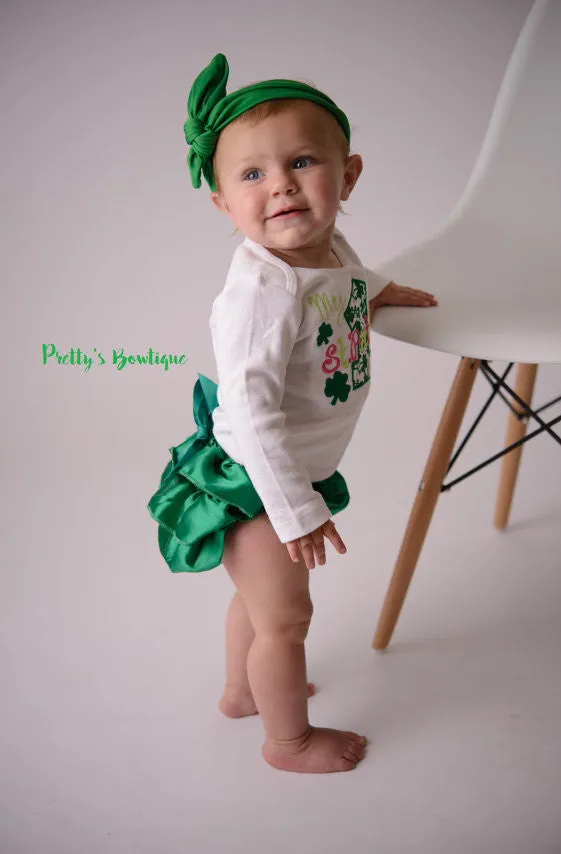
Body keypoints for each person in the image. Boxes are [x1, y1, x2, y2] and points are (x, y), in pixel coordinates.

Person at [147, 54, 438, 774]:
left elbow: (347, 276)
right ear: (222, 203)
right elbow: (249, 416)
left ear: (347, 176)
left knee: (255, 603)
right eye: (251, 175)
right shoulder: (261, 296)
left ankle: (240, 692)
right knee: (285, 617)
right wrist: (296, 511)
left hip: (288, 472)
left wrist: (380, 290)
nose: (280, 185)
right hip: (256, 483)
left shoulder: (327, 247)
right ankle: (289, 742)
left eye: (302, 161)